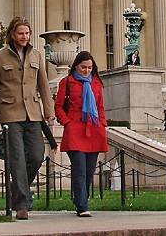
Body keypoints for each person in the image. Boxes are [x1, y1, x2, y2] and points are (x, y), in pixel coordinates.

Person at [0, 17, 53, 221]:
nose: (25, 37)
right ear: (13, 35)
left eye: (27, 33)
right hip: (10, 113)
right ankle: (22, 204)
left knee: (36, 155)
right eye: (21, 33)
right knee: (17, 159)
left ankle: (17, 190)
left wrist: (49, 111)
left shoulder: (36, 55)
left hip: (33, 113)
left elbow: (44, 85)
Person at [55, 51, 108, 217]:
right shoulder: (67, 82)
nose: (86, 71)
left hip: (94, 130)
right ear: (76, 66)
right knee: (79, 169)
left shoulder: (96, 83)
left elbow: (100, 107)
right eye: (83, 67)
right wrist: (67, 122)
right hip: (75, 130)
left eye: (90, 68)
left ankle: (80, 199)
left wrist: (102, 123)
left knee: (89, 170)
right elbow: (58, 106)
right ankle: (82, 205)